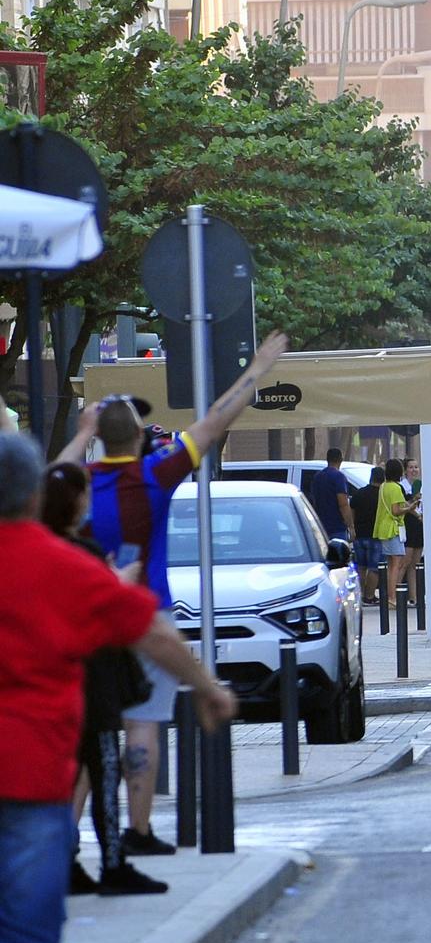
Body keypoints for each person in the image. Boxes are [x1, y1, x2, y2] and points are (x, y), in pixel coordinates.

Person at [0, 433, 237, 943]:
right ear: (33, 496)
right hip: (32, 786)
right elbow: (152, 630)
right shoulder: (63, 565)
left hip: (38, 786)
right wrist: (207, 688)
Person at [57, 333, 285, 863]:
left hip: (91, 618)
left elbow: (56, 472)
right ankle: (138, 829)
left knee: (93, 729)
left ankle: (66, 835)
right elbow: (216, 420)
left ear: (97, 438)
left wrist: (82, 430)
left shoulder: (82, 481)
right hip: (147, 613)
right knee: (143, 723)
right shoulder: (155, 474)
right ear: (139, 437)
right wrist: (258, 366)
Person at [39, 464, 160, 898]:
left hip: (55, 687)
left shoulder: (39, 550)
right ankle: (112, 863)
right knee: (104, 776)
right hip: (97, 681)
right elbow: (112, 607)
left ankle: (63, 862)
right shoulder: (83, 553)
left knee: (63, 782)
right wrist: (119, 581)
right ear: (77, 504)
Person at [375, 458, 416, 608]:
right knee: (396, 565)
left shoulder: (384, 486)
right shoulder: (396, 488)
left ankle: (389, 596)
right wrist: (410, 509)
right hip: (394, 528)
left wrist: (410, 503)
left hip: (383, 528)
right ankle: (392, 597)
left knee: (390, 564)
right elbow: (396, 510)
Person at [306, 448, 354, 544]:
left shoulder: (317, 477)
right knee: (339, 557)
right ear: (341, 460)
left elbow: (314, 501)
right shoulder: (339, 477)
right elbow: (343, 504)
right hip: (337, 528)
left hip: (321, 526)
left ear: (327, 459)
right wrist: (351, 526)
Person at [350, 467, 384, 603]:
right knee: (374, 568)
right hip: (376, 536)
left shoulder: (360, 493)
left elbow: (351, 510)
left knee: (361, 567)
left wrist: (352, 527)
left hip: (359, 535)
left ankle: (360, 595)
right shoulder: (382, 495)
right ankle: (369, 596)